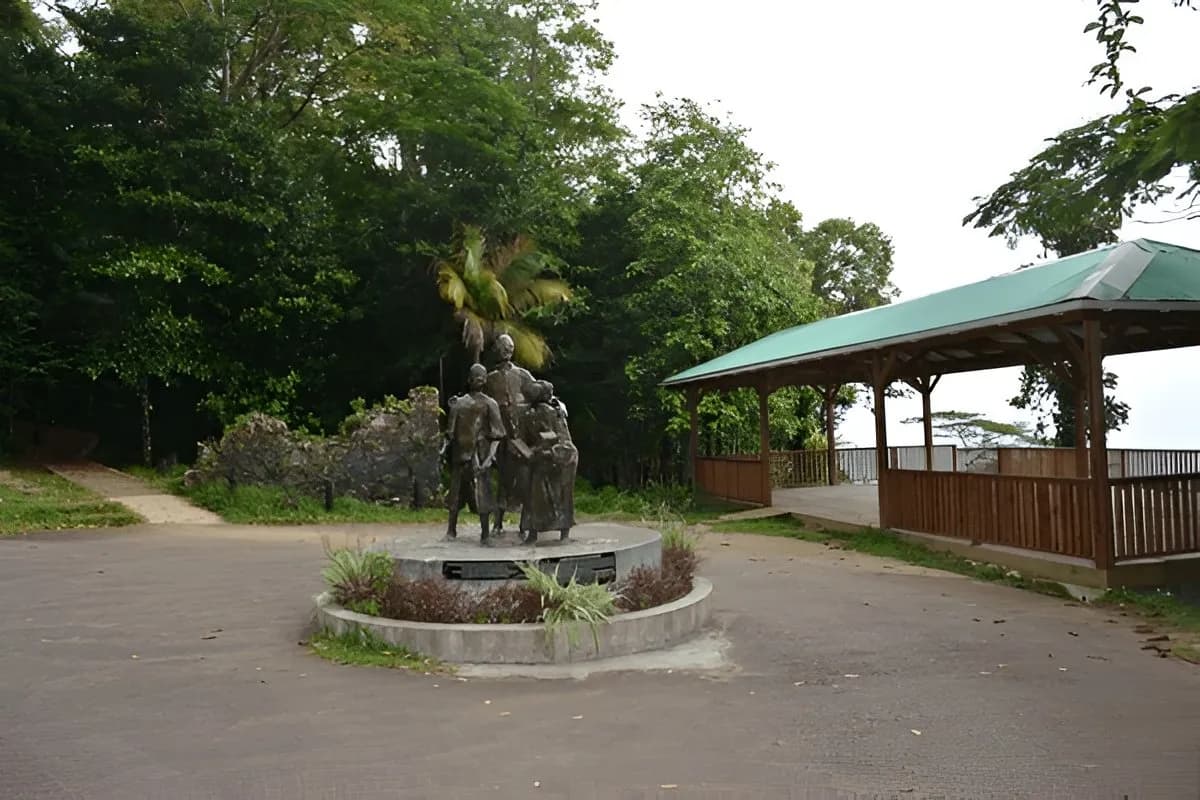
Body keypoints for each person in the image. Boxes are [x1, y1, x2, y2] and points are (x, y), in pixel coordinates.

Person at [443, 364, 506, 544]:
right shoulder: (458, 404)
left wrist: (490, 457)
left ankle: (485, 534)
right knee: (454, 495)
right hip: (460, 455)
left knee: (483, 495)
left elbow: (498, 435)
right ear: (469, 379)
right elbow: (450, 432)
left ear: (485, 380)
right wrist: (444, 447)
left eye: (481, 376)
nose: (478, 379)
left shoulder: (490, 404)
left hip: (480, 457)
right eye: (475, 376)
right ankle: (451, 530)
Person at [485, 333, 535, 534]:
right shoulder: (490, 378)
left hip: (521, 437)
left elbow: (539, 392)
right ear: (496, 349)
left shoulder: (523, 375)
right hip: (501, 437)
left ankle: (525, 523)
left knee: (524, 479)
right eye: (503, 347)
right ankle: (498, 522)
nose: (507, 350)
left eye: (510, 347)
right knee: (504, 481)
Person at [517, 380, 577, 544]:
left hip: (563, 457)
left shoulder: (553, 412)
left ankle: (563, 532)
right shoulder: (527, 414)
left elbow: (562, 438)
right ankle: (533, 532)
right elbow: (521, 439)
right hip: (540, 457)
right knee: (535, 494)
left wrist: (549, 452)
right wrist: (530, 452)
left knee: (563, 495)